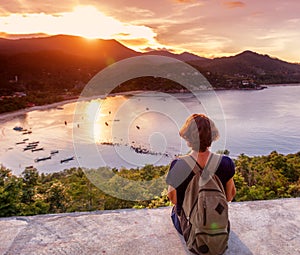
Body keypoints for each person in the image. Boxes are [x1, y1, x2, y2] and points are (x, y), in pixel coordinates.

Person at [166, 113, 236, 234]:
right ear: (212, 136)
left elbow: (173, 199)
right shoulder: (226, 162)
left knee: (174, 212)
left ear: (187, 137)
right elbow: (229, 196)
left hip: (190, 227)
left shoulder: (179, 164)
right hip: (217, 225)